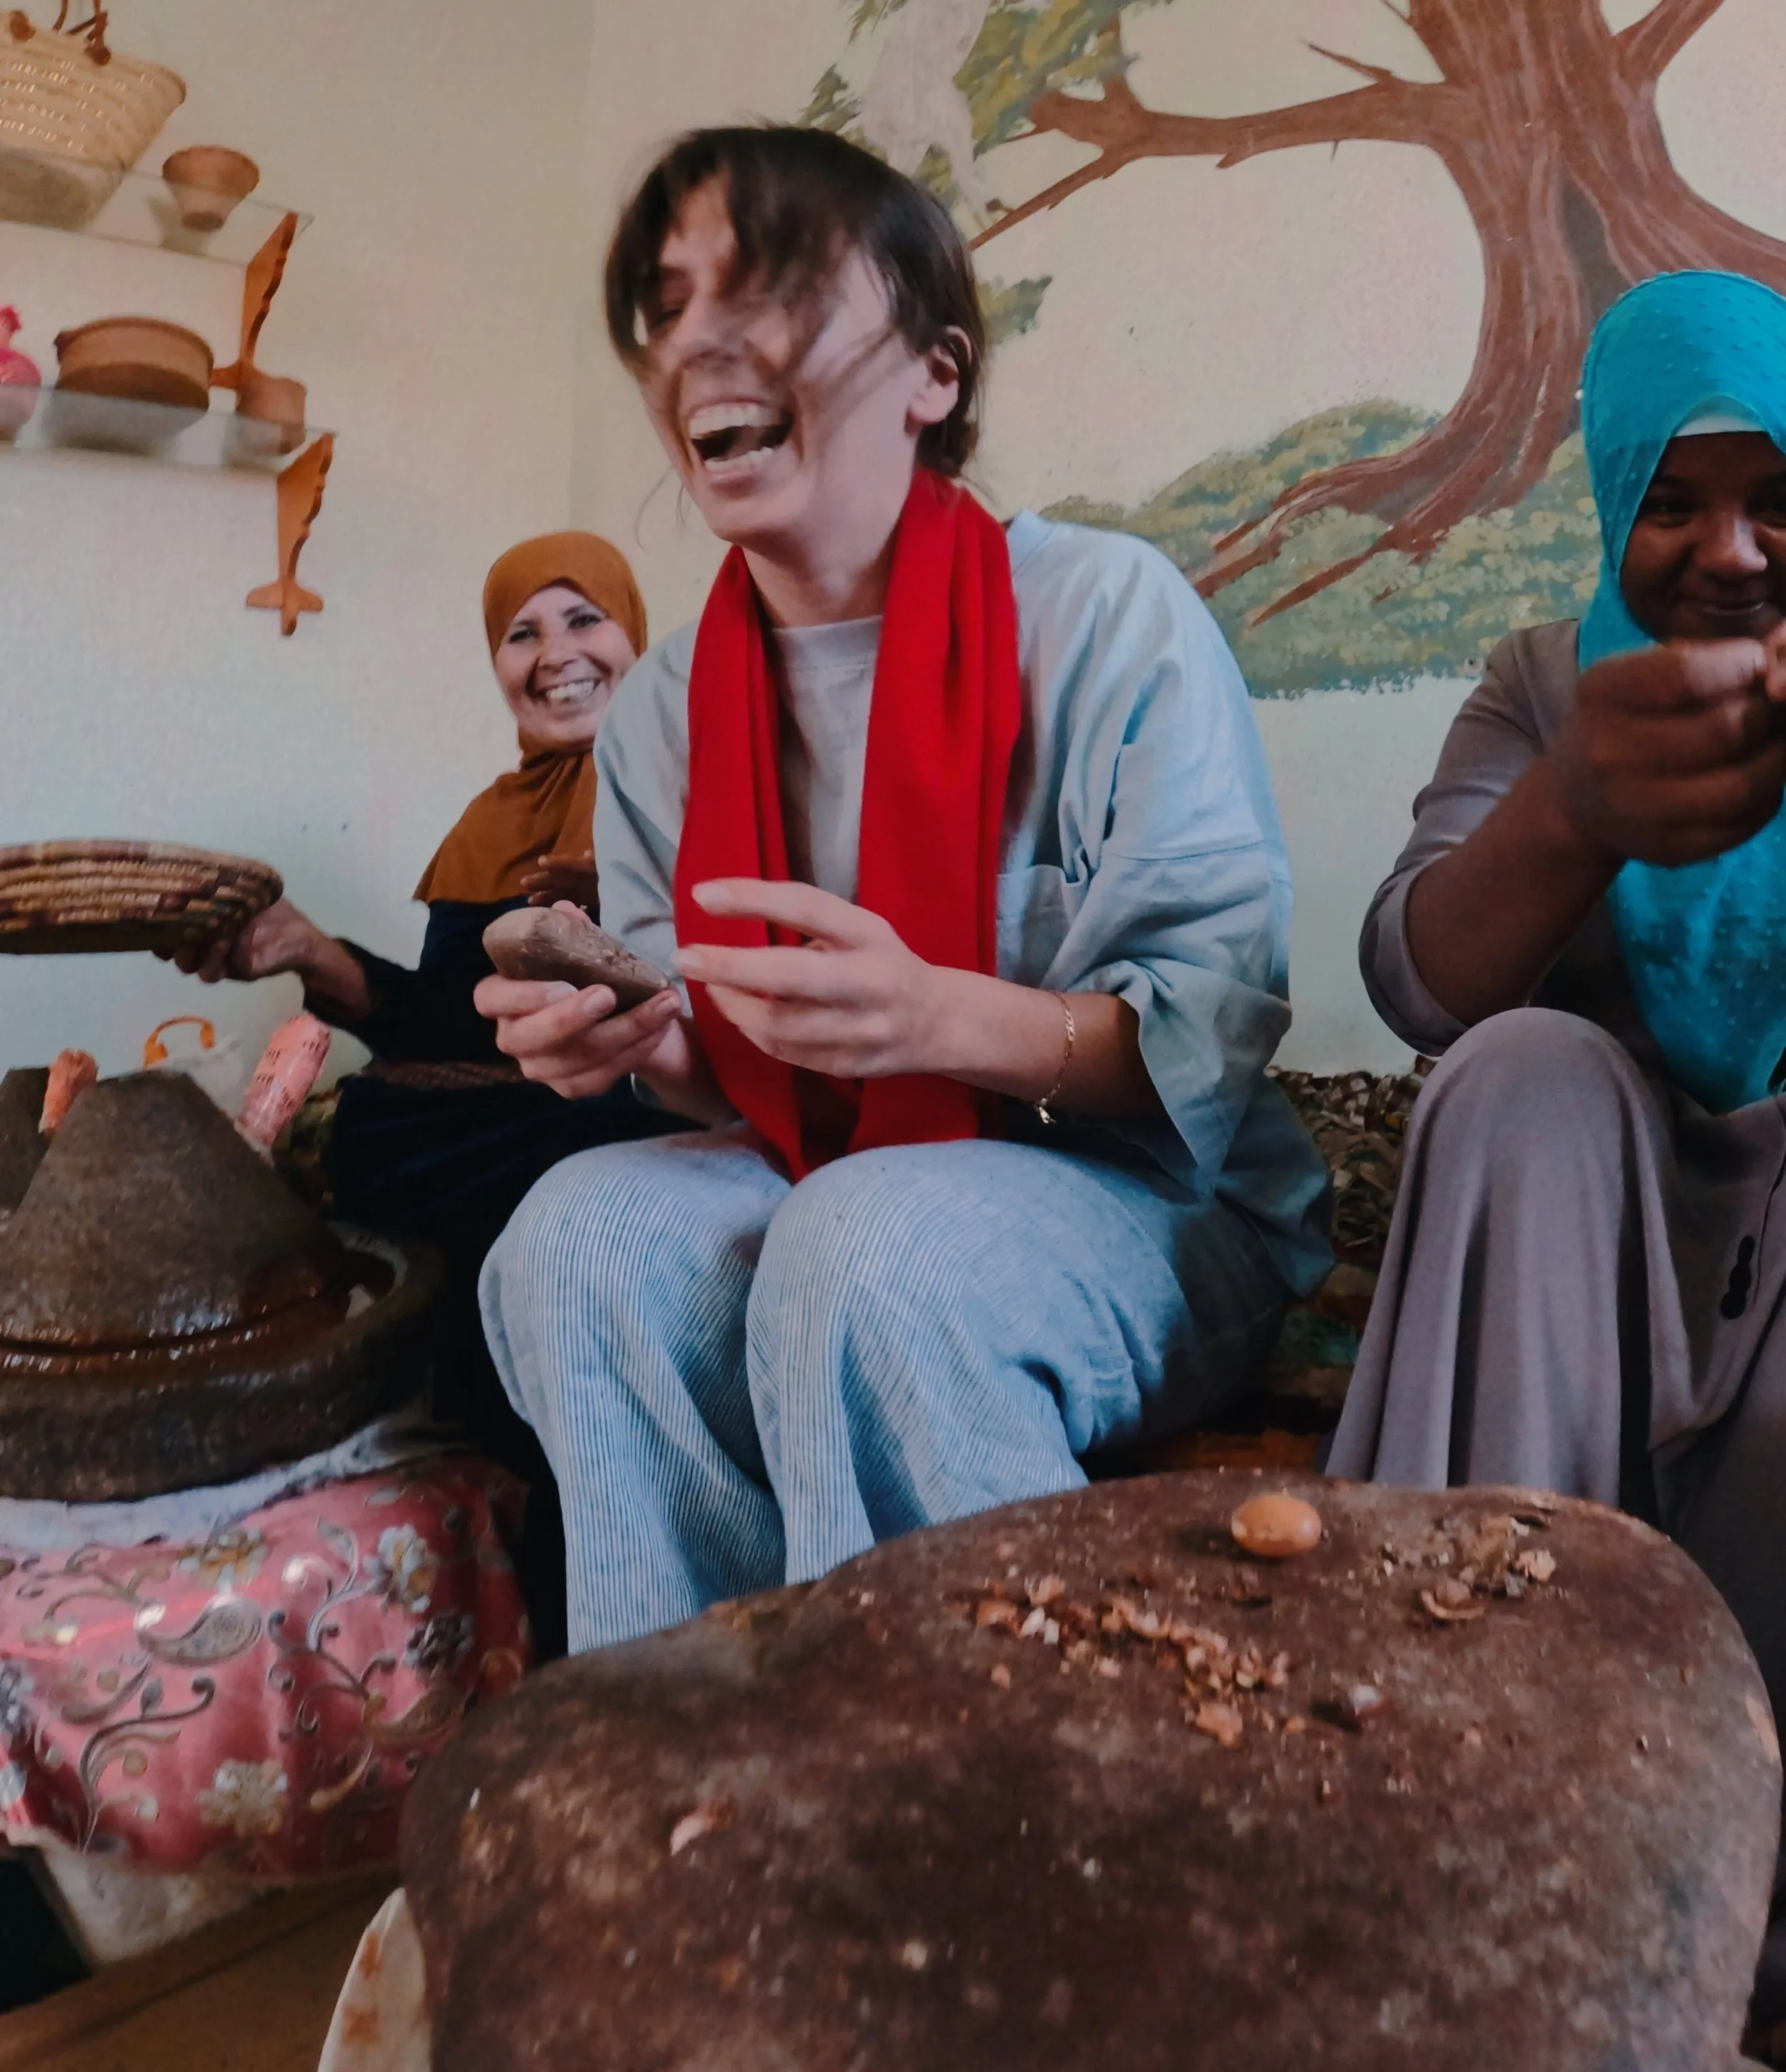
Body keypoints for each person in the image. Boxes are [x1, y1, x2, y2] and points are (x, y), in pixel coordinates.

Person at [474, 125, 1329, 1656]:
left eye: (772, 281)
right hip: (815, 1166)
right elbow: (716, 1062)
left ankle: (959, 1793)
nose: (701, 339)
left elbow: (1206, 1036)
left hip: (1145, 1194)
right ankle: (697, 1758)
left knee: (867, 1248)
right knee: (570, 1234)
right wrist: (627, 1036)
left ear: (932, 374)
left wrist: (943, 1017)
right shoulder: (664, 702)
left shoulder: (1101, 614)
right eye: (668, 304)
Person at [1330, 269, 1786, 1720]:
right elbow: (1413, 973)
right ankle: (1475, 1753)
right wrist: (1570, 807)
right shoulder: (1538, 684)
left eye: (1776, 496)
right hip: (1577, 1245)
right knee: (1522, 1068)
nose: (1728, 552)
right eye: (1668, 502)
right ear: (1606, 506)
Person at [175, 534, 678, 1652]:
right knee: (373, 1127)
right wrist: (312, 952)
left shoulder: (697, 776)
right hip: (506, 1111)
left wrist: (612, 924)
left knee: (566, 1140)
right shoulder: (493, 820)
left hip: (634, 1101)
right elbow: (448, 1018)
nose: (557, 654)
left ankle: (570, 1557)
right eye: (521, 632)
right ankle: (471, 1480)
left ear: (637, 634)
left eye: (584, 619)